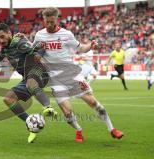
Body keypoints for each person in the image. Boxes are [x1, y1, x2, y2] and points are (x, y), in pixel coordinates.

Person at [33, 7, 123, 142]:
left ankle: (112, 129)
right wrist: (36, 57)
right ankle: (78, 130)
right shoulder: (39, 35)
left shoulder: (66, 34)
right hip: (55, 79)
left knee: (93, 102)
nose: (50, 25)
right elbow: (34, 52)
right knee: (67, 112)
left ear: (57, 19)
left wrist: (90, 46)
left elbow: (80, 48)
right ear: (44, 20)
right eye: (47, 22)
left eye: (52, 21)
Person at [0, 23, 57, 143]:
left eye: (2, 36)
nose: (1, 40)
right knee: (8, 99)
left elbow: (41, 46)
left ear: (9, 33)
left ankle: (48, 107)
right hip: (27, 77)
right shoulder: (6, 48)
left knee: (31, 82)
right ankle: (30, 123)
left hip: (40, 72)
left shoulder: (19, 43)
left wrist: (38, 54)